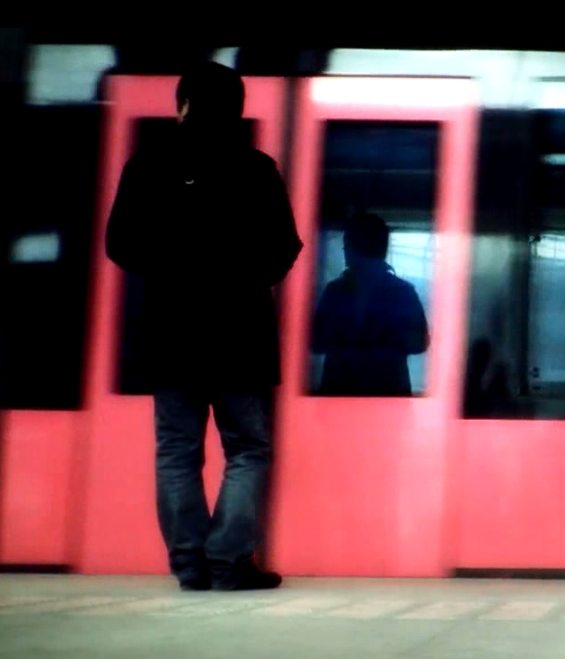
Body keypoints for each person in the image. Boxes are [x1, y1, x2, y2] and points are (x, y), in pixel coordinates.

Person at [105, 62, 302, 591]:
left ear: (185, 104)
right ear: (236, 108)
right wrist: (244, 280)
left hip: (170, 332)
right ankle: (230, 563)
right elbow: (285, 245)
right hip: (240, 333)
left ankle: (191, 564)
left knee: (177, 450)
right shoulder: (256, 168)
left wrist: (171, 273)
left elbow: (119, 243)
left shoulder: (148, 165)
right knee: (247, 449)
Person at [311, 213, 429, 396]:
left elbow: (317, 342)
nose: (344, 251)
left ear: (354, 247)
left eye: (347, 244)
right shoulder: (403, 292)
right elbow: (418, 342)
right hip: (388, 394)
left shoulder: (335, 292)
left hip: (339, 393)